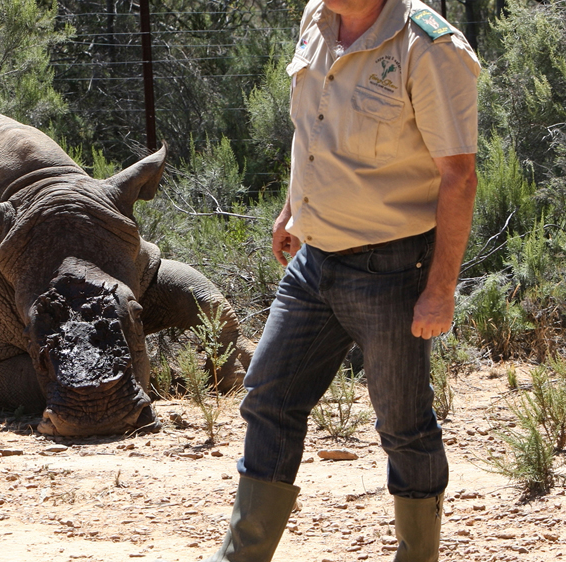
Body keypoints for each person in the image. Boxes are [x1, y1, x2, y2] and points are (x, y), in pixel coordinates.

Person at [204, 0, 480, 561]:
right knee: (269, 398)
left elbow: (458, 175)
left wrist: (440, 289)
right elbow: (314, 129)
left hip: (392, 269)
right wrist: (292, 208)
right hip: (314, 262)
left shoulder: (428, 47)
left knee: (403, 426)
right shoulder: (318, 18)